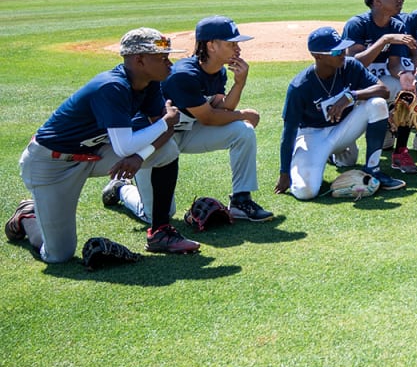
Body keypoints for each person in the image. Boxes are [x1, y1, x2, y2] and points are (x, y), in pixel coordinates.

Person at [10, 28, 195, 263]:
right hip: (50, 163)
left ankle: (160, 232)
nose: (170, 63)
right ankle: (27, 217)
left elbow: (165, 133)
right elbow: (128, 145)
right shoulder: (112, 86)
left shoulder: (148, 83)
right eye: (162, 58)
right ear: (139, 60)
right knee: (58, 255)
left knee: (167, 151)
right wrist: (164, 123)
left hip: (94, 154)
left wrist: (141, 157)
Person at [105, 16, 273, 226]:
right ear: (211, 45)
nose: (237, 48)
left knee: (243, 131)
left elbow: (222, 108)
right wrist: (243, 114)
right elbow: (209, 117)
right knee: (156, 215)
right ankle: (121, 188)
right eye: (231, 43)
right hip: (154, 141)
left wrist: (239, 84)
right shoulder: (184, 75)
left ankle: (241, 200)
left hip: (186, 132)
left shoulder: (218, 71)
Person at [276, 27, 402, 200]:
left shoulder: (350, 65)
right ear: (318, 56)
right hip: (313, 136)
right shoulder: (300, 86)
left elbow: (384, 90)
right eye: (336, 51)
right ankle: (328, 158)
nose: (342, 53)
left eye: (343, 48)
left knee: (377, 104)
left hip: (344, 129)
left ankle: (373, 169)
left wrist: (351, 96)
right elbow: (289, 131)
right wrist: (284, 173)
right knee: (305, 192)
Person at [343, 0, 417, 173]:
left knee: (407, 91)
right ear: (377, 1)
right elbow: (355, 64)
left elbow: (394, 64)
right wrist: (384, 39)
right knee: (347, 161)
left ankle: (400, 151)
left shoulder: (397, 25)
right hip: (351, 90)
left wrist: (404, 76)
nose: (400, 0)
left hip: (378, 85)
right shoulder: (357, 24)